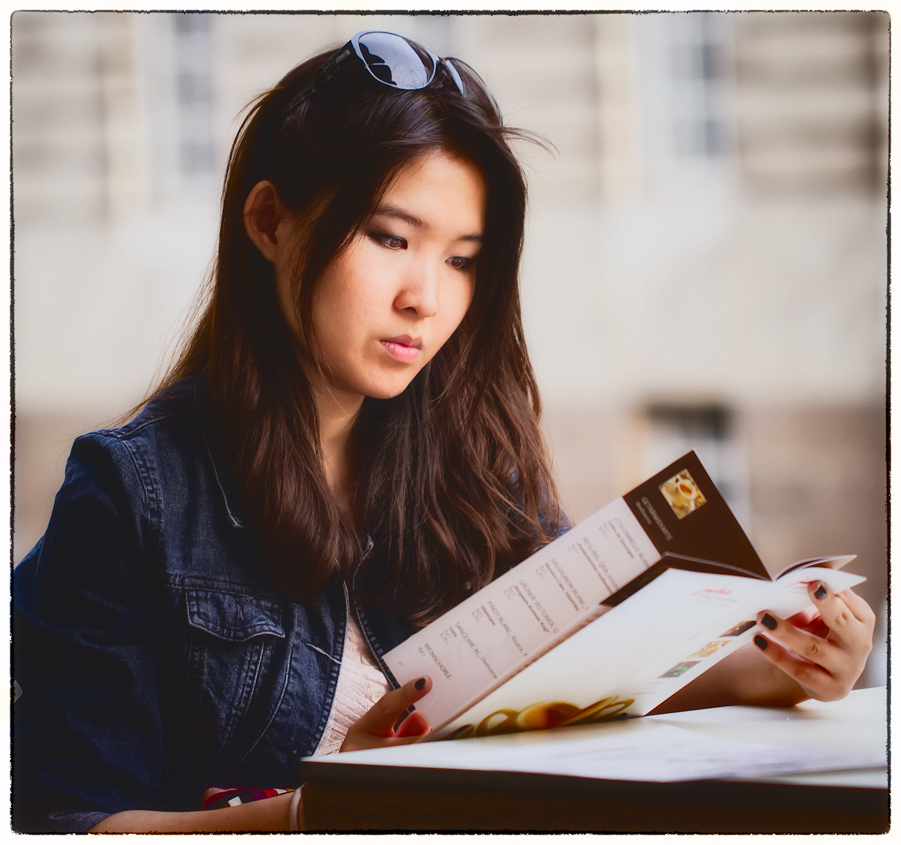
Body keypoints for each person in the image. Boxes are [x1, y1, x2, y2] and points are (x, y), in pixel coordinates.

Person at [12, 31, 875, 833]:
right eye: (391, 237)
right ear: (270, 222)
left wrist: (777, 661)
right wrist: (325, 811)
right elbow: (70, 824)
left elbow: (593, 665)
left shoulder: (473, 462)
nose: (425, 297)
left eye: (461, 258)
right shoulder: (135, 493)